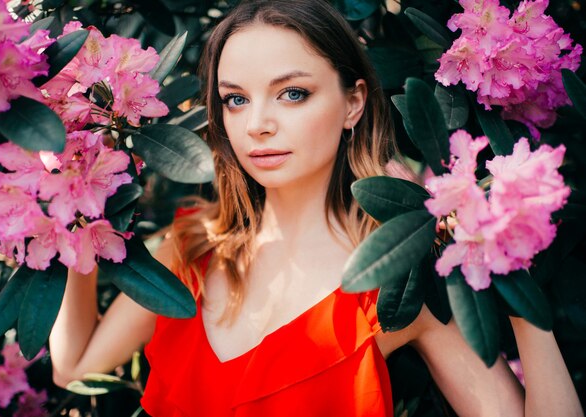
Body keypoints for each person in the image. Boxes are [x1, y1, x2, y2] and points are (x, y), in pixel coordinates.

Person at [49, 1, 584, 416]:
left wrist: (523, 299)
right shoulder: (191, 247)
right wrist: (78, 217)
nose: (258, 122)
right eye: (236, 99)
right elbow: (73, 365)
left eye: (292, 94)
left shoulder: (397, 285)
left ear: (353, 102)